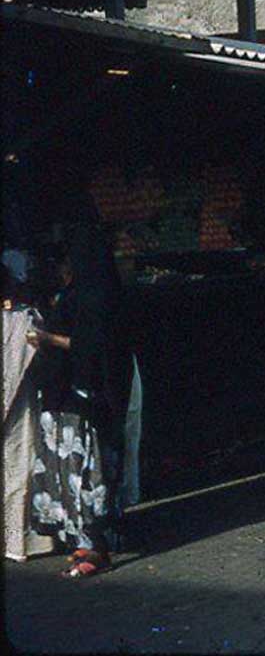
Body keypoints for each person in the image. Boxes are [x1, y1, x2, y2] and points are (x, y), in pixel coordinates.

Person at [25, 224, 132, 578]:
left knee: (87, 470)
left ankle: (97, 545)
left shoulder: (96, 296)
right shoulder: (81, 291)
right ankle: (83, 539)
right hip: (65, 392)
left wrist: (47, 339)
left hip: (86, 394)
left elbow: (93, 345)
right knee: (71, 470)